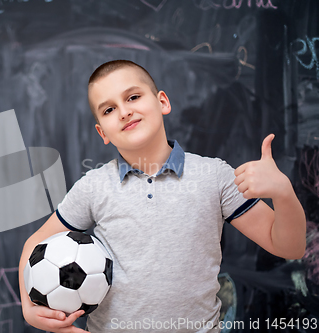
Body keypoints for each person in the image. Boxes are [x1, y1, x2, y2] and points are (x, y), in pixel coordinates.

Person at [18, 60, 306, 333]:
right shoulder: (93, 186)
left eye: (133, 97)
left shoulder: (214, 176)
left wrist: (283, 192)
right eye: (108, 110)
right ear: (102, 132)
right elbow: (35, 242)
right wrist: (29, 309)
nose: (123, 111)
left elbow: (289, 247)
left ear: (162, 102)